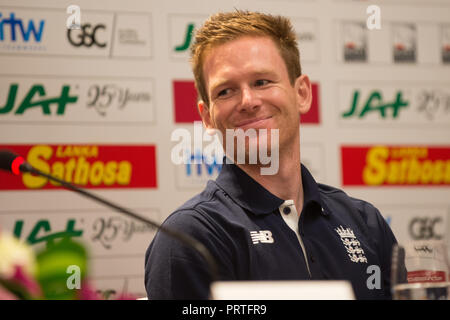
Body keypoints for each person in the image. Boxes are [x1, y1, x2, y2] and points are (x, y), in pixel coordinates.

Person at [145, 10, 398, 300]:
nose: (248, 101)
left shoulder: (366, 223)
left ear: (302, 93)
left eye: (262, 82)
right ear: (207, 117)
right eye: (226, 91)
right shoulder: (190, 237)